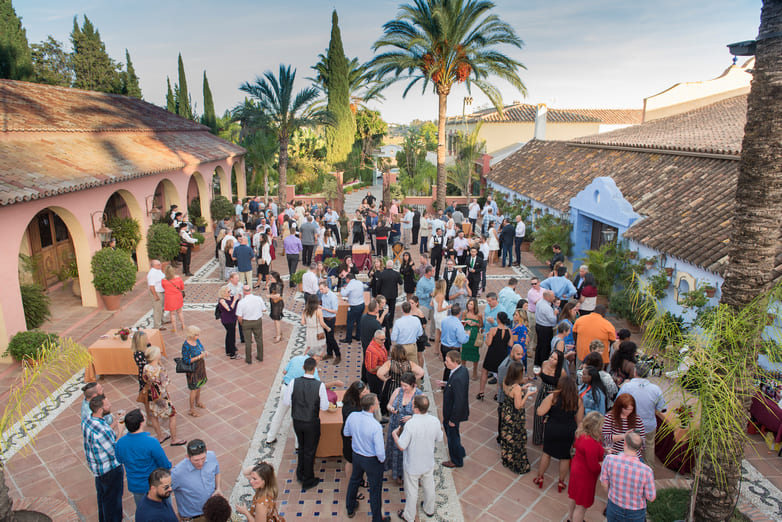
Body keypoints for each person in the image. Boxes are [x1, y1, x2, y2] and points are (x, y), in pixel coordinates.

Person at [392, 395, 442, 522]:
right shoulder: (434, 421)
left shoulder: (411, 424)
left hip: (412, 464)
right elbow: (439, 438)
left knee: (412, 491)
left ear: (416, 409)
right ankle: (429, 509)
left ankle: (409, 516)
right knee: (429, 485)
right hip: (428, 461)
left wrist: (395, 436)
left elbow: (402, 446)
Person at [282, 356, 329, 490]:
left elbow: (287, 401)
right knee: (310, 450)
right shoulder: (319, 386)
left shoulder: (293, 382)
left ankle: (300, 472)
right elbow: (324, 407)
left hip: (297, 420)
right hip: (311, 422)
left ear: (303, 368)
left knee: (302, 446)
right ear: (314, 369)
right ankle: (308, 478)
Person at [533, 375, 584, 492]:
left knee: (547, 454)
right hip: (568, 430)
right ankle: (561, 482)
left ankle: (540, 477)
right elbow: (580, 420)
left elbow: (540, 412)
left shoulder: (553, 397)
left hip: (552, 428)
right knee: (565, 457)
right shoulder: (578, 400)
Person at [343, 393, 389, 522]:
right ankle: (377, 518)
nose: (379, 404)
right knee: (375, 490)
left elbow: (346, 432)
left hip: (357, 456)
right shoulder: (375, 426)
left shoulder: (352, 416)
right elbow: (380, 451)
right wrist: (382, 460)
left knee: (354, 481)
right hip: (372, 460)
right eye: (377, 403)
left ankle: (350, 508)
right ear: (372, 407)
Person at [115, 409, 172, 506]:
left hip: (136, 485)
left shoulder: (120, 443)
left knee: (143, 511)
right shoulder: (151, 442)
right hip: (155, 485)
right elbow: (165, 464)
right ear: (141, 423)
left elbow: (119, 459)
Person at [82, 394, 124, 522]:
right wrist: (121, 431)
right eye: (107, 404)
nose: (110, 405)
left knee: (103, 499)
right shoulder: (102, 430)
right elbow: (115, 450)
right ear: (101, 409)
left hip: (98, 469)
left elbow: (103, 435)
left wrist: (116, 423)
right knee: (113, 502)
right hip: (110, 470)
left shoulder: (88, 421)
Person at [617, 366, 667, 469]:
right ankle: (649, 469)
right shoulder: (655, 389)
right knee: (649, 446)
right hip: (648, 425)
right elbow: (662, 408)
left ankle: (629, 469)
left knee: (629, 446)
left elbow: (618, 403)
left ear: (635, 372)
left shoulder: (627, 387)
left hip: (631, 424)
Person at [600, 431, 657, 522]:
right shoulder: (646, 471)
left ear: (625, 442)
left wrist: (611, 496)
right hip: (636, 512)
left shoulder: (609, 459)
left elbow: (604, 484)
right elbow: (651, 497)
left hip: (614, 505)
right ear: (640, 448)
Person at [142, 345, 186, 444]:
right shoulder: (160, 370)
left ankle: (160, 436)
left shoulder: (146, 367)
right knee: (172, 415)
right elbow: (166, 382)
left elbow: (144, 378)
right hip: (162, 396)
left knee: (153, 416)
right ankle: (174, 439)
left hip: (151, 395)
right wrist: (162, 367)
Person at [384, 372, 422, 485]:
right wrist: (391, 409)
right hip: (396, 426)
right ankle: (397, 474)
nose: (403, 388)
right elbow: (388, 405)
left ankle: (410, 475)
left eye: (406, 386)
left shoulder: (419, 396)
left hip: (411, 430)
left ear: (413, 385)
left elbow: (424, 414)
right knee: (396, 450)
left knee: (410, 453)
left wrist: (412, 417)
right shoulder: (397, 391)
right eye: (402, 385)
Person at [568, 412, 606, 522]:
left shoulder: (581, 434)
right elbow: (593, 467)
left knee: (573, 496)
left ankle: (570, 518)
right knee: (581, 507)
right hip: (585, 477)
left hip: (576, 470)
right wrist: (604, 463)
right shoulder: (591, 443)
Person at [500, 361, 535, 474]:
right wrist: (527, 394)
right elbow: (518, 405)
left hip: (506, 411)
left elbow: (511, 394)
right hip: (515, 416)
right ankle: (517, 462)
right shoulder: (517, 388)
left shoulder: (506, 380)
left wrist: (523, 387)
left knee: (507, 434)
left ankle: (507, 457)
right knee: (517, 437)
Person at [171, 439, 221, 519]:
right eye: (196, 460)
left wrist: (218, 488)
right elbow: (165, 493)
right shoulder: (177, 473)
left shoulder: (212, 456)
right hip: (194, 517)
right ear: (187, 456)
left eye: (203, 458)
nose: (200, 463)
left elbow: (217, 472)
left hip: (212, 511)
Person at [532, 349, 567, 446]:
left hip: (553, 394)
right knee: (538, 413)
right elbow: (542, 377)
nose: (552, 360)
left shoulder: (561, 372)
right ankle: (537, 438)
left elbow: (564, 386)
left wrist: (556, 393)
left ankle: (550, 439)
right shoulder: (544, 364)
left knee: (551, 417)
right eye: (551, 357)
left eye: (555, 359)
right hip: (543, 389)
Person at [442, 350, 469, 468]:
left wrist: (453, 419)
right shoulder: (462, 370)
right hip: (454, 413)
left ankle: (456, 460)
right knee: (455, 434)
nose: (445, 363)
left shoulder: (457, 378)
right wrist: (446, 384)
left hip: (452, 414)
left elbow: (459, 401)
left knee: (452, 437)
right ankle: (460, 451)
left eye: (447, 361)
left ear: (454, 362)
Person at [477, 311, 512, 400]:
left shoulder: (493, 330)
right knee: (499, 374)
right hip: (503, 354)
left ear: (498, 319)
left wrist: (487, 336)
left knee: (485, 371)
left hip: (492, 354)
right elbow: (511, 344)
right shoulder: (509, 331)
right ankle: (497, 394)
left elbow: (488, 343)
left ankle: (481, 392)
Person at [341, 380, 370, 487]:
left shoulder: (360, 401)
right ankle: (352, 485)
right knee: (351, 461)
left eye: (366, 390)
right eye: (363, 392)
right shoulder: (351, 409)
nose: (366, 393)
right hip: (351, 437)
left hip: (360, 436)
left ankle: (360, 479)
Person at [181, 326, 208, 417]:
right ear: (191, 335)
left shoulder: (197, 341)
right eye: (196, 334)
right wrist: (199, 357)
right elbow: (186, 360)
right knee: (194, 388)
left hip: (200, 366)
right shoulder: (186, 345)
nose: (198, 336)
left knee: (199, 385)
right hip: (192, 369)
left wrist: (204, 352)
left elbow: (201, 348)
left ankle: (198, 402)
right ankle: (191, 409)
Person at [236, 285, 267, 364]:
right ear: (251, 290)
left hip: (246, 322)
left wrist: (241, 323)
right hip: (257, 321)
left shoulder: (241, 302)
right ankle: (260, 356)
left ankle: (248, 359)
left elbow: (239, 316)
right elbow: (264, 309)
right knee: (259, 339)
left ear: (243, 292)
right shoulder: (258, 299)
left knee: (248, 341)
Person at [439, 304, 469, 382]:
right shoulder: (458, 325)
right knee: (454, 368)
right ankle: (451, 384)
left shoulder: (445, 320)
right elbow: (462, 340)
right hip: (453, 349)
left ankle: (445, 383)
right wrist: (467, 335)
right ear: (459, 313)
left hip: (443, 346)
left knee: (447, 366)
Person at [318, 280, 341, 364]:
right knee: (327, 338)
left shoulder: (332, 297)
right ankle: (329, 353)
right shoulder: (323, 295)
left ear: (326, 287)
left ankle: (338, 355)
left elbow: (335, 311)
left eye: (322, 289)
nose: (321, 291)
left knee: (331, 338)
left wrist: (324, 309)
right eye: (320, 289)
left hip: (330, 319)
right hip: (324, 318)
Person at [534, 290, 558, 366]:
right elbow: (553, 320)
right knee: (545, 347)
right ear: (547, 297)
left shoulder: (540, 302)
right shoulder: (546, 307)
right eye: (553, 296)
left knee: (539, 345)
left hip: (539, 325)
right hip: (545, 328)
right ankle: (543, 363)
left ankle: (537, 362)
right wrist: (555, 314)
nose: (554, 298)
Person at [460, 298, 483, 380]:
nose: (469, 306)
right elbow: (461, 323)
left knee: (474, 353)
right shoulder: (465, 313)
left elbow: (481, 325)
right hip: (466, 334)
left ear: (475, 306)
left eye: (471, 304)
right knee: (464, 353)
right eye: (469, 304)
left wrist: (475, 324)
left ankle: (475, 371)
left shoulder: (479, 315)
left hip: (474, 335)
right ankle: (462, 370)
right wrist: (465, 323)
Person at [341, 273, 365, 344]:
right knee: (359, 321)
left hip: (354, 306)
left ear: (348, 279)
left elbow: (343, 294)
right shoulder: (360, 282)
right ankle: (358, 336)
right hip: (361, 304)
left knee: (350, 322)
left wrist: (343, 288)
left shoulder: (350, 285)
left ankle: (348, 338)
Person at [365, 329, 389, 399]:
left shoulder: (380, 344)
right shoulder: (372, 351)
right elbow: (372, 368)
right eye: (382, 340)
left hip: (379, 373)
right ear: (375, 339)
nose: (384, 341)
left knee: (379, 391)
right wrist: (385, 366)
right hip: (374, 377)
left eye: (384, 339)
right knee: (376, 395)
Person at [161, 265, 185, 334]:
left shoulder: (163, 281)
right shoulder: (178, 278)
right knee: (180, 311)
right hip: (178, 296)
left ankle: (174, 328)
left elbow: (164, 288)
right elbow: (182, 287)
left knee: (172, 314)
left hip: (169, 298)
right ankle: (183, 325)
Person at [217, 285, 240, 359]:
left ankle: (229, 350)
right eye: (228, 291)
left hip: (233, 318)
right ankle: (232, 353)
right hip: (227, 320)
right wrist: (234, 300)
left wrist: (237, 298)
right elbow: (229, 309)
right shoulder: (222, 300)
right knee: (231, 335)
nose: (230, 292)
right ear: (224, 293)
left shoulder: (230, 297)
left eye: (230, 291)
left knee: (229, 334)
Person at [431, 279, 450, 358]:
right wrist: (448, 307)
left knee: (438, 333)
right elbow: (439, 309)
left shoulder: (434, 294)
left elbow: (431, 304)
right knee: (443, 335)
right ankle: (442, 354)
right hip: (441, 317)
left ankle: (436, 350)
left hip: (436, 316)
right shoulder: (441, 296)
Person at [415, 265, 435, 339]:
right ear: (429, 272)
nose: (434, 272)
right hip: (424, 305)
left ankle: (433, 336)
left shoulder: (432, 279)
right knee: (424, 323)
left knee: (434, 321)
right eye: (432, 271)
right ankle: (422, 338)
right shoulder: (421, 282)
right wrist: (429, 294)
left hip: (432, 304)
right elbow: (419, 295)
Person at [147, 260, 166, 330]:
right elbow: (151, 286)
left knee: (162, 307)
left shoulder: (158, 270)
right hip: (157, 292)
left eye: (160, 264)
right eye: (158, 265)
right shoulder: (152, 274)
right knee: (157, 309)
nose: (160, 265)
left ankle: (162, 319)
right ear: (153, 266)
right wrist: (155, 295)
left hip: (161, 291)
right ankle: (157, 325)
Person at [268, 278, 284, 343]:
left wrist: (269, 296)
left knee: (276, 319)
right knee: (275, 319)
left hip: (277, 303)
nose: (270, 278)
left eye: (271, 277)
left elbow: (277, 295)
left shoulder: (278, 285)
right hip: (273, 303)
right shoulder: (272, 284)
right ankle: (279, 332)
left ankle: (278, 336)